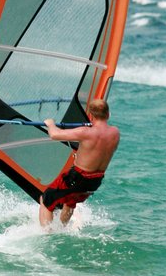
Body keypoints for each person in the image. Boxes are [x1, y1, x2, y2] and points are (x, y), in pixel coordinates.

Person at [38, 97, 120, 227]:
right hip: (95, 180)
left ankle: (46, 235)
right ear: (108, 114)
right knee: (70, 202)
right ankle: (62, 230)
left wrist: (50, 124)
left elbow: (54, 135)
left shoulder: (85, 132)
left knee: (46, 200)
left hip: (77, 177)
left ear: (90, 115)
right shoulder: (115, 132)